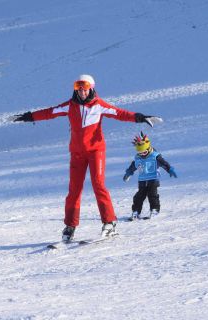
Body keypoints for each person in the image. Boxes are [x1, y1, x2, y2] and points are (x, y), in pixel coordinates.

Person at [13, 74, 162, 241]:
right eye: (79, 89)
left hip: (96, 151)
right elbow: (49, 112)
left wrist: (141, 117)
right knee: (74, 189)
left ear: (91, 88)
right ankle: (70, 226)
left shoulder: (98, 105)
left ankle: (109, 223)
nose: (82, 92)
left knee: (98, 185)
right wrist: (28, 116)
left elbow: (120, 113)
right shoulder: (70, 106)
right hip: (77, 153)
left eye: (85, 89)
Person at [123, 131, 177, 220]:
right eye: (140, 153)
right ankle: (136, 212)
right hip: (142, 180)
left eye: (144, 153)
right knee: (139, 196)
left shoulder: (155, 156)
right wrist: (129, 173)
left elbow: (164, 163)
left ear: (148, 149)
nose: (142, 155)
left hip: (153, 178)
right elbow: (133, 165)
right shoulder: (138, 158)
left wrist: (170, 169)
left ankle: (154, 210)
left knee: (152, 195)